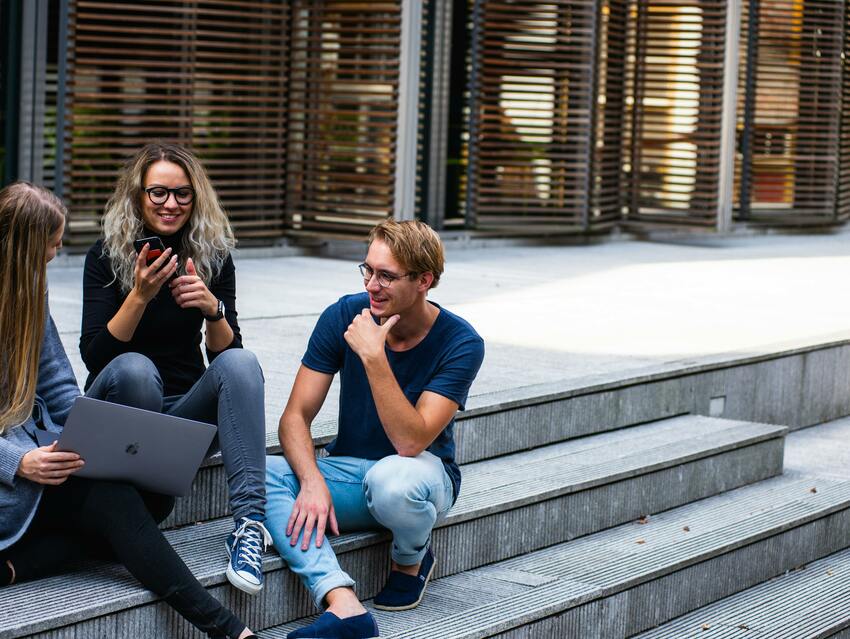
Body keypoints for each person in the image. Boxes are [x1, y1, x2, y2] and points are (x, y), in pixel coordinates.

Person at [0, 181, 258, 639]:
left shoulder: (28, 300)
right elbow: (98, 358)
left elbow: (59, 387)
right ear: (22, 249)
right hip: (13, 475)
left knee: (144, 501)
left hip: (43, 459)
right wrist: (17, 460)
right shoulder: (101, 260)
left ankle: (17, 565)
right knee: (116, 505)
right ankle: (231, 630)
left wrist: (78, 439)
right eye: (49, 249)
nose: (53, 258)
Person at [266, 219, 485, 639]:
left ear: (425, 280)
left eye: (386, 275)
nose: (372, 285)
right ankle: (341, 602)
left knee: (393, 480)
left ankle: (411, 558)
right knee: (261, 474)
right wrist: (311, 480)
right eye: (367, 270)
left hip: (419, 475)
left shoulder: (461, 342)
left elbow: (411, 441)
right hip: (349, 471)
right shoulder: (344, 314)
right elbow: (295, 416)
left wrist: (374, 357)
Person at [79, 142, 269, 595]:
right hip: (121, 409)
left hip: (182, 418)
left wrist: (213, 309)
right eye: (158, 192)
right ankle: (132, 510)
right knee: (136, 370)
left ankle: (249, 528)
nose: (171, 204)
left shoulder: (212, 255)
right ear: (138, 196)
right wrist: (140, 295)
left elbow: (227, 360)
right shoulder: (105, 256)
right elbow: (95, 357)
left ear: (196, 197)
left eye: (183, 194)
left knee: (243, 363)